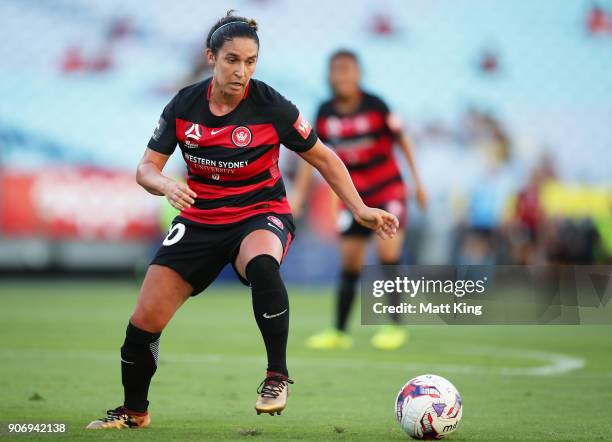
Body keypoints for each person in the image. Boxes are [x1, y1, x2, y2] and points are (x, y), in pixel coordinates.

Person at [86, 13, 398, 430]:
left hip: (260, 211)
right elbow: (146, 168)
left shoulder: (271, 105)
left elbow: (323, 155)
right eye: (232, 59)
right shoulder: (184, 104)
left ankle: (276, 377)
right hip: (200, 218)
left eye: (250, 61)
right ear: (210, 57)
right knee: (144, 321)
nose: (241, 71)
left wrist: (359, 208)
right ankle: (133, 412)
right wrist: (163, 184)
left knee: (262, 263)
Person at [291, 50, 426, 351]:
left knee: (388, 253)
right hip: (353, 197)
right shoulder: (325, 112)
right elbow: (309, 154)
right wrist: (299, 194)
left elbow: (403, 140)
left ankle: (394, 326)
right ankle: (339, 331)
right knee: (350, 261)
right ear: (329, 76)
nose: (342, 76)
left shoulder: (376, 105)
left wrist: (418, 184)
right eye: (337, 71)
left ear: (359, 74)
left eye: (348, 70)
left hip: (388, 189)